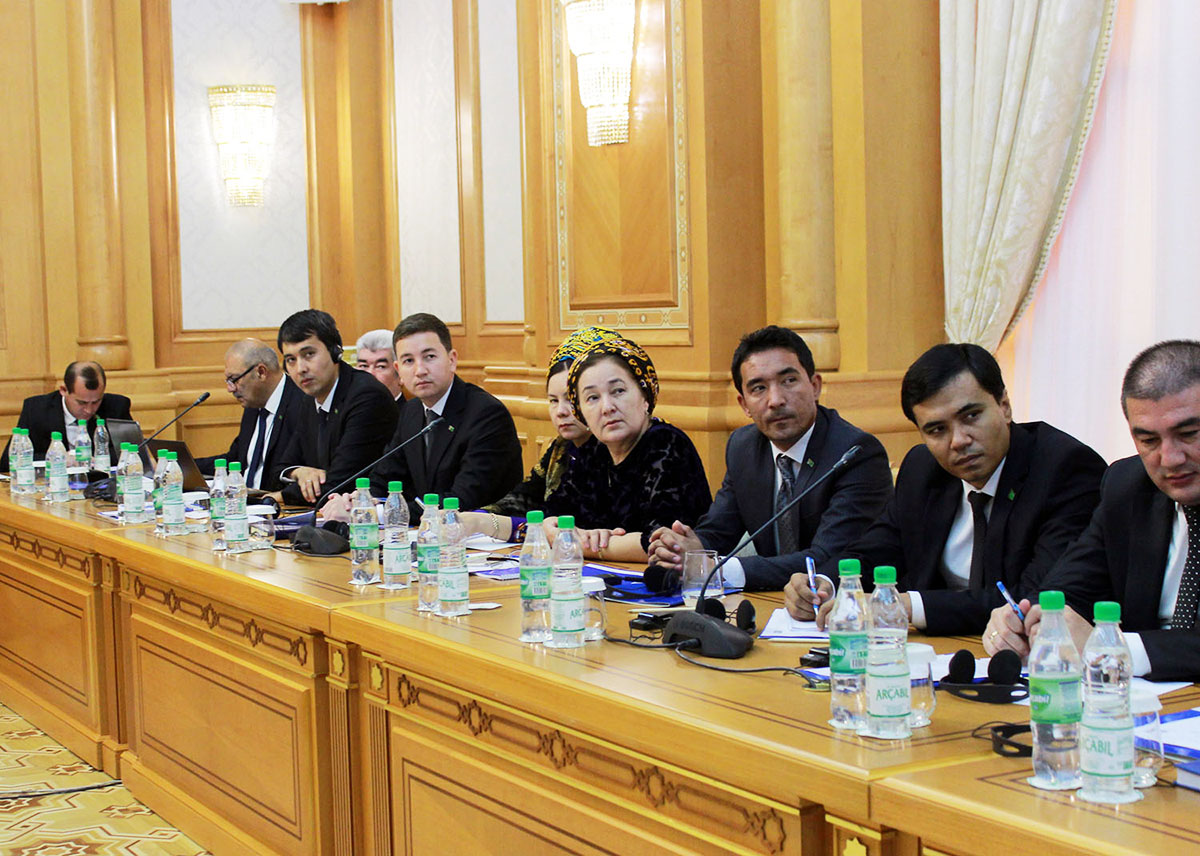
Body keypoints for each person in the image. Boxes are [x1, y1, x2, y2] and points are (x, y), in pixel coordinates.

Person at [787, 343, 1106, 636]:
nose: (959, 441)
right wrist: (826, 584)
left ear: (1004, 406)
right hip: (936, 650)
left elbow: (1032, 597)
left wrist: (907, 607)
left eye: (971, 417)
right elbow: (880, 546)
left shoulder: (1065, 469)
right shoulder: (923, 469)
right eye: (937, 430)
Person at [984, 340, 1200, 681]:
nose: (1169, 459)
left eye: (1188, 434)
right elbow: (1070, 585)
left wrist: (1115, 649)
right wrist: (1030, 618)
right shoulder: (1128, 486)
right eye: (1148, 441)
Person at [647, 326, 892, 590]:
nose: (775, 400)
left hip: (842, 608)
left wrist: (714, 569)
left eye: (788, 381)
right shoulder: (743, 447)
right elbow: (719, 531)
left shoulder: (854, 454)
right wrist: (687, 549)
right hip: (771, 602)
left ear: (815, 386)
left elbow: (825, 558)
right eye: (759, 388)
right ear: (744, 405)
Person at [544, 334, 711, 562]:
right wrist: (581, 536)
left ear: (645, 396)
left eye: (618, 391)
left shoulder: (666, 444)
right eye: (592, 398)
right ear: (581, 411)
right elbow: (550, 520)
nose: (607, 407)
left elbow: (663, 542)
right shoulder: (594, 451)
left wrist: (588, 545)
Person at [346, 313, 523, 517]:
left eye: (429, 357)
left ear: (452, 360)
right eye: (408, 361)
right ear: (398, 370)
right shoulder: (411, 412)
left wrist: (379, 512)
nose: (420, 370)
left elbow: (459, 501)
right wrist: (357, 502)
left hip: (484, 540)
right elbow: (384, 479)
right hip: (430, 536)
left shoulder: (487, 415)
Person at [458, 327, 620, 542]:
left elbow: (571, 525)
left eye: (570, 400)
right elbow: (523, 498)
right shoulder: (562, 447)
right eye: (553, 400)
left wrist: (492, 525)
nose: (561, 411)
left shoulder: (614, 450)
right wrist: (475, 518)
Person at [270, 310, 398, 506]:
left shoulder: (367, 396)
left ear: (335, 352)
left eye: (309, 354)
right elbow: (281, 466)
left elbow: (340, 483)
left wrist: (275, 498)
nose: (300, 368)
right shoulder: (309, 398)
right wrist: (299, 472)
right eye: (291, 360)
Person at [195, 339, 307, 491]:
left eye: (234, 379)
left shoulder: (302, 405)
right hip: (244, 504)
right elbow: (235, 460)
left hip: (276, 506)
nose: (230, 389)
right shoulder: (254, 404)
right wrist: (183, 466)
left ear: (261, 372)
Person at [1, 361, 131, 470]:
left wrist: (96, 459)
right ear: (63, 390)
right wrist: (59, 458)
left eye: (96, 401)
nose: (89, 410)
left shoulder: (117, 406)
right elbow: (8, 461)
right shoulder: (37, 409)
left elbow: (133, 454)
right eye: (82, 402)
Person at [355, 329, 405, 402]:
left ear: (400, 375)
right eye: (363, 366)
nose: (370, 374)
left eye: (380, 366)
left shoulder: (409, 412)